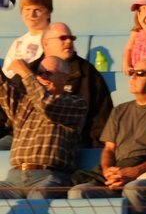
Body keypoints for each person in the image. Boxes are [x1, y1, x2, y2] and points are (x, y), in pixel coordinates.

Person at [68, 58, 146, 212]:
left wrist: (135, 172)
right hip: (119, 173)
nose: (133, 77)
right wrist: (108, 170)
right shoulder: (119, 111)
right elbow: (109, 149)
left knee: (132, 189)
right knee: (78, 192)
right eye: (132, 72)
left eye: (140, 73)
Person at [0, 56, 87, 199]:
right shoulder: (25, 103)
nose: (43, 77)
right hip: (13, 178)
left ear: (65, 77)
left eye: (49, 73)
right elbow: (2, 88)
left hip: (49, 176)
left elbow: (47, 105)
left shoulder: (76, 103)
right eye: (40, 73)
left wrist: (26, 74)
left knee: (39, 199)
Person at [36, 23, 113, 148]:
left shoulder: (88, 74)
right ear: (45, 44)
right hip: (27, 139)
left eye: (71, 38)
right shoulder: (29, 70)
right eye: (63, 38)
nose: (69, 42)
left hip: (69, 141)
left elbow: (102, 117)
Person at [2, 0, 52, 79]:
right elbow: (6, 74)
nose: (31, 15)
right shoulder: (18, 42)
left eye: (37, 10)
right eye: (27, 9)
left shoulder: (54, 40)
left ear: (48, 13)